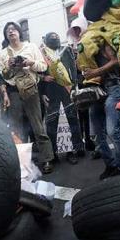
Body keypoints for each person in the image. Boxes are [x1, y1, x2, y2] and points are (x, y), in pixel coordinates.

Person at [0, 22, 54, 174]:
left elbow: (43, 67)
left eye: (13, 29)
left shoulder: (31, 47)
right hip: (13, 92)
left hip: (31, 90)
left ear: (19, 32)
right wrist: (10, 67)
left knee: (37, 126)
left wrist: (30, 63)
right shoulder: (4, 54)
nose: (11, 32)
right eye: (8, 30)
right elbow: (4, 77)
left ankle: (47, 159)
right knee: (18, 130)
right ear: (6, 35)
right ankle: (24, 165)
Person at [84, 43, 120, 180]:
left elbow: (116, 61)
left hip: (112, 88)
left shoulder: (103, 42)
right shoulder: (84, 47)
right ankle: (110, 165)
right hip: (95, 90)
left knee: (112, 130)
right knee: (98, 133)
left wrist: (95, 72)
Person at [41, 32, 85, 164]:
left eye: (57, 37)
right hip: (50, 91)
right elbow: (38, 73)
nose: (55, 39)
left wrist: (75, 87)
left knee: (71, 120)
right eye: (51, 38)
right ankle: (53, 153)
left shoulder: (66, 50)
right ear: (46, 41)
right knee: (52, 123)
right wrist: (42, 91)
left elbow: (73, 68)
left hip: (67, 90)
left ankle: (74, 149)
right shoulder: (42, 53)